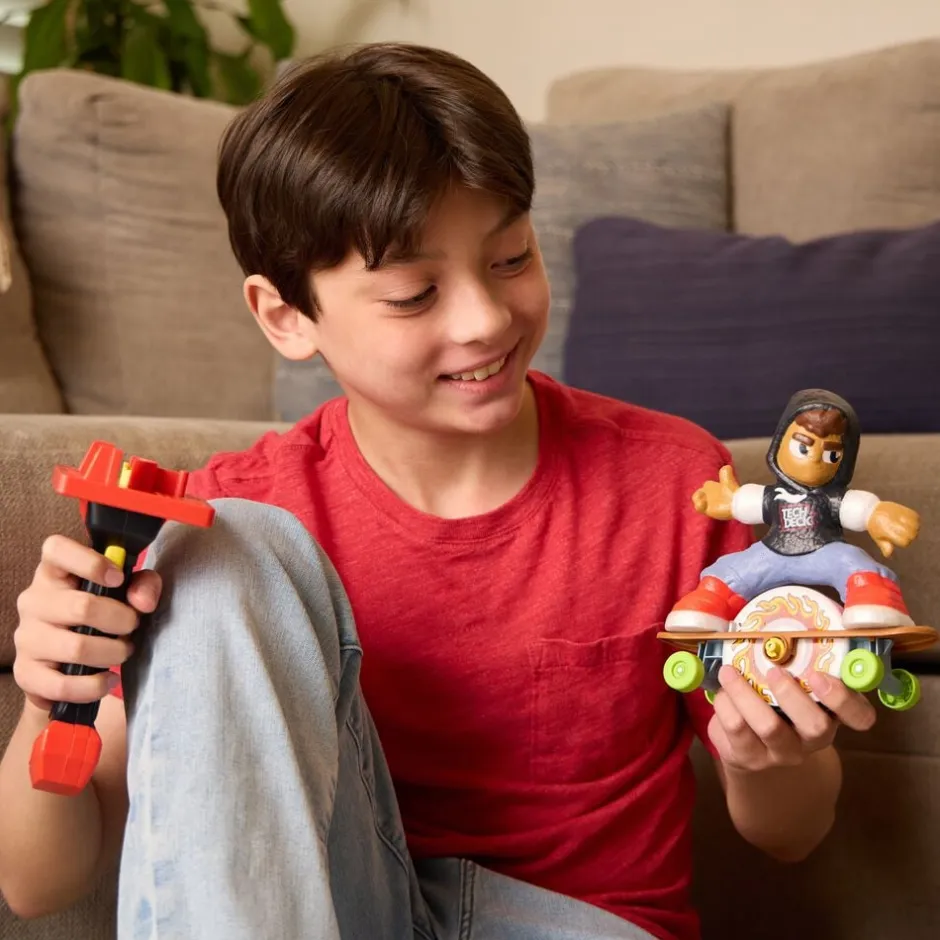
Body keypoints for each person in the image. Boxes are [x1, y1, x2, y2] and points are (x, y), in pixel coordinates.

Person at [0, 43, 878, 940]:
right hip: (327, 914)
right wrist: (48, 697)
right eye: (416, 294)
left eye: (510, 258)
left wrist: (770, 755)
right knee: (226, 543)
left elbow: (791, 833)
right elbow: (36, 884)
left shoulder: (671, 482)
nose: (485, 320)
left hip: (581, 923)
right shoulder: (226, 529)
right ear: (287, 316)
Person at [665, 388, 919, 633]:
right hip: (771, 555)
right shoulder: (773, 496)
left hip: (825, 552)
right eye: (803, 447)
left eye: (831, 455)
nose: (814, 459)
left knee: (854, 563)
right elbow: (746, 502)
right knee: (730, 571)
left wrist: (876, 514)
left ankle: (875, 596)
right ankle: (712, 602)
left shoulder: (832, 499)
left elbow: (859, 508)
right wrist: (731, 501)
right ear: (778, 446)